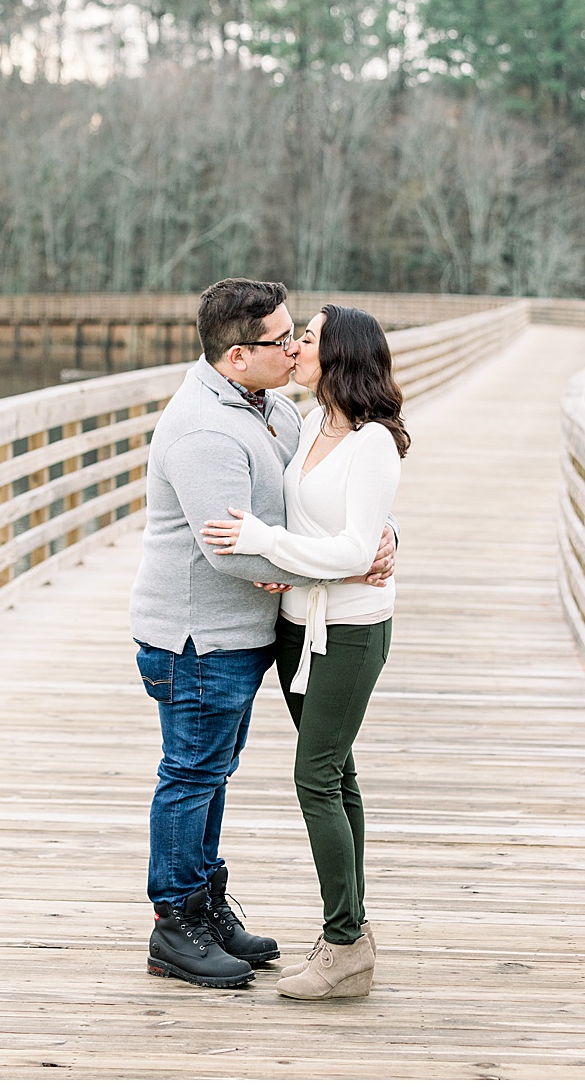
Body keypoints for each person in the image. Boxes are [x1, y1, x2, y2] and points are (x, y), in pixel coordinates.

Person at [131, 279, 396, 989]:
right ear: (239, 356)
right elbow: (228, 547)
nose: (293, 346)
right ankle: (175, 924)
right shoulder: (204, 429)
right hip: (197, 636)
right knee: (190, 776)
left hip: (244, 632)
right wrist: (299, 558)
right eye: (282, 339)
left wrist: (379, 535)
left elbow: (325, 495)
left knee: (211, 774)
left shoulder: (277, 408)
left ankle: (207, 905)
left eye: (297, 334)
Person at [201, 305, 408, 1001]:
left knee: (314, 776)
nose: (294, 347)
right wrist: (279, 556)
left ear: (339, 353)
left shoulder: (373, 442)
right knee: (337, 772)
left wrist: (267, 545)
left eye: (307, 338)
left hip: (350, 629)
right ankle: (353, 933)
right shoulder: (307, 423)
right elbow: (308, 522)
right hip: (297, 624)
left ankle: (344, 943)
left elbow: (355, 548)